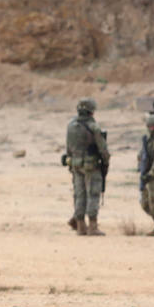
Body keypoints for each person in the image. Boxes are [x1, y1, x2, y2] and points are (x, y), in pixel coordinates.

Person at [63, 98, 109, 236]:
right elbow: (103, 149)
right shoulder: (93, 127)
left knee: (79, 194)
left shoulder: (71, 126)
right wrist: (105, 162)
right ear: (92, 111)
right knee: (93, 194)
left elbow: (68, 147)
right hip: (91, 165)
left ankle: (80, 226)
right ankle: (93, 227)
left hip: (75, 164)